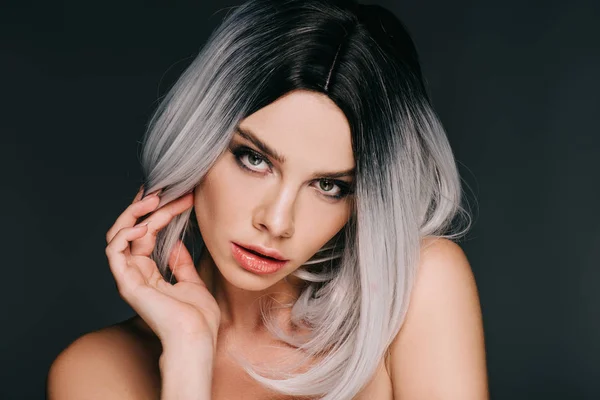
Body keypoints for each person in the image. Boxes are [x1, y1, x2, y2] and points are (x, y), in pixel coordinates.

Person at [47, 0, 488, 398]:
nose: (278, 222)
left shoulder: (416, 291)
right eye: (254, 159)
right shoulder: (94, 371)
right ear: (197, 141)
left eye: (329, 186)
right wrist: (188, 356)